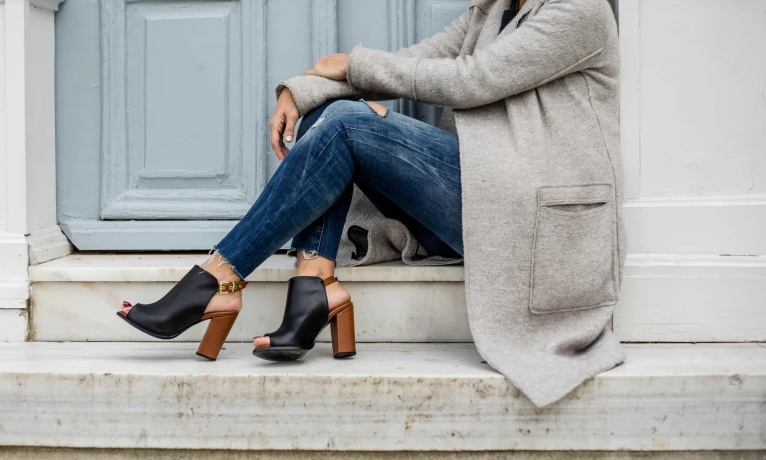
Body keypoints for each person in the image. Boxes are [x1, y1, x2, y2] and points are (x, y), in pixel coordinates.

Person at [117, 0, 626, 408]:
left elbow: (473, 81)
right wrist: (303, 89)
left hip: (524, 223)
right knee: (329, 116)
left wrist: (354, 67)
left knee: (346, 124)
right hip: (482, 200)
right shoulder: (490, 12)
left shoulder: (580, 12)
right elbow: (409, 62)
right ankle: (311, 287)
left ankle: (218, 278)